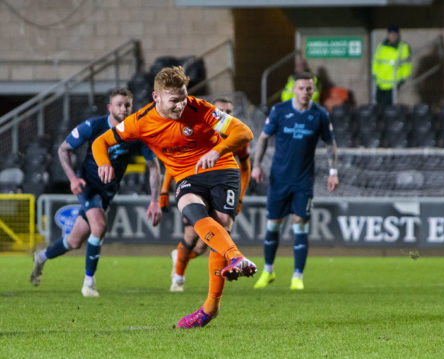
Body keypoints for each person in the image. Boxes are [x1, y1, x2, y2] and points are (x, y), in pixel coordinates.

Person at [91, 66, 255, 329]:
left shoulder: (198, 107)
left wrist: (218, 150)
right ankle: (235, 258)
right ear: (156, 97)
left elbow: (244, 133)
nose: (181, 105)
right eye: (174, 100)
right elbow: (100, 143)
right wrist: (103, 163)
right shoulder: (140, 121)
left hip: (222, 167)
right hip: (186, 175)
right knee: (191, 209)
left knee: (221, 224)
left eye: (183, 97)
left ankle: (210, 307)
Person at [30, 88, 162, 297]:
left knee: (73, 242)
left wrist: (155, 201)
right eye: (119, 104)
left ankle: (41, 257)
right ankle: (88, 283)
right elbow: (63, 149)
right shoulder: (94, 125)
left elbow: (153, 166)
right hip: (88, 186)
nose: (123, 109)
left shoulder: (136, 132)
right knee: (99, 227)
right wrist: (73, 178)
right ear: (110, 107)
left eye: (127, 105)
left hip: (108, 191)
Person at [252, 72, 338, 291]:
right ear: (293, 89)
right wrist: (256, 165)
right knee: (273, 225)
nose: (305, 92)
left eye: (309, 88)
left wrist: (333, 171)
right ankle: (268, 271)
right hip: (279, 179)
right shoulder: (279, 110)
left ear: (314, 90)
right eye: (301, 88)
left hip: (303, 181)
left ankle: (297, 276)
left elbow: (330, 144)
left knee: (301, 225)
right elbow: (263, 138)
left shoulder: (319, 114)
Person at [161, 96, 252, 292]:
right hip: (194, 185)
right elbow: (174, 163)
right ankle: (178, 277)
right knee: (192, 234)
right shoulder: (198, 131)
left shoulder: (236, 138)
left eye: (229, 112)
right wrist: (163, 191)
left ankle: (182, 258)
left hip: (221, 185)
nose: (225, 115)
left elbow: (245, 168)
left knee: (204, 245)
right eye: (221, 111)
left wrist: (241, 197)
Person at [371, 25, 412, 106]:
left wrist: (403, 77)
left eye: (394, 34)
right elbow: (376, 61)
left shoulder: (403, 47)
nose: (392, 36)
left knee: (388, 105)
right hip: (380, 81)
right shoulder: (381, 46)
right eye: (390, 34)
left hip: (393, 82)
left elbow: (406, 65)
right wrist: (374, 73)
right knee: (378, 102)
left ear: (398, 35)